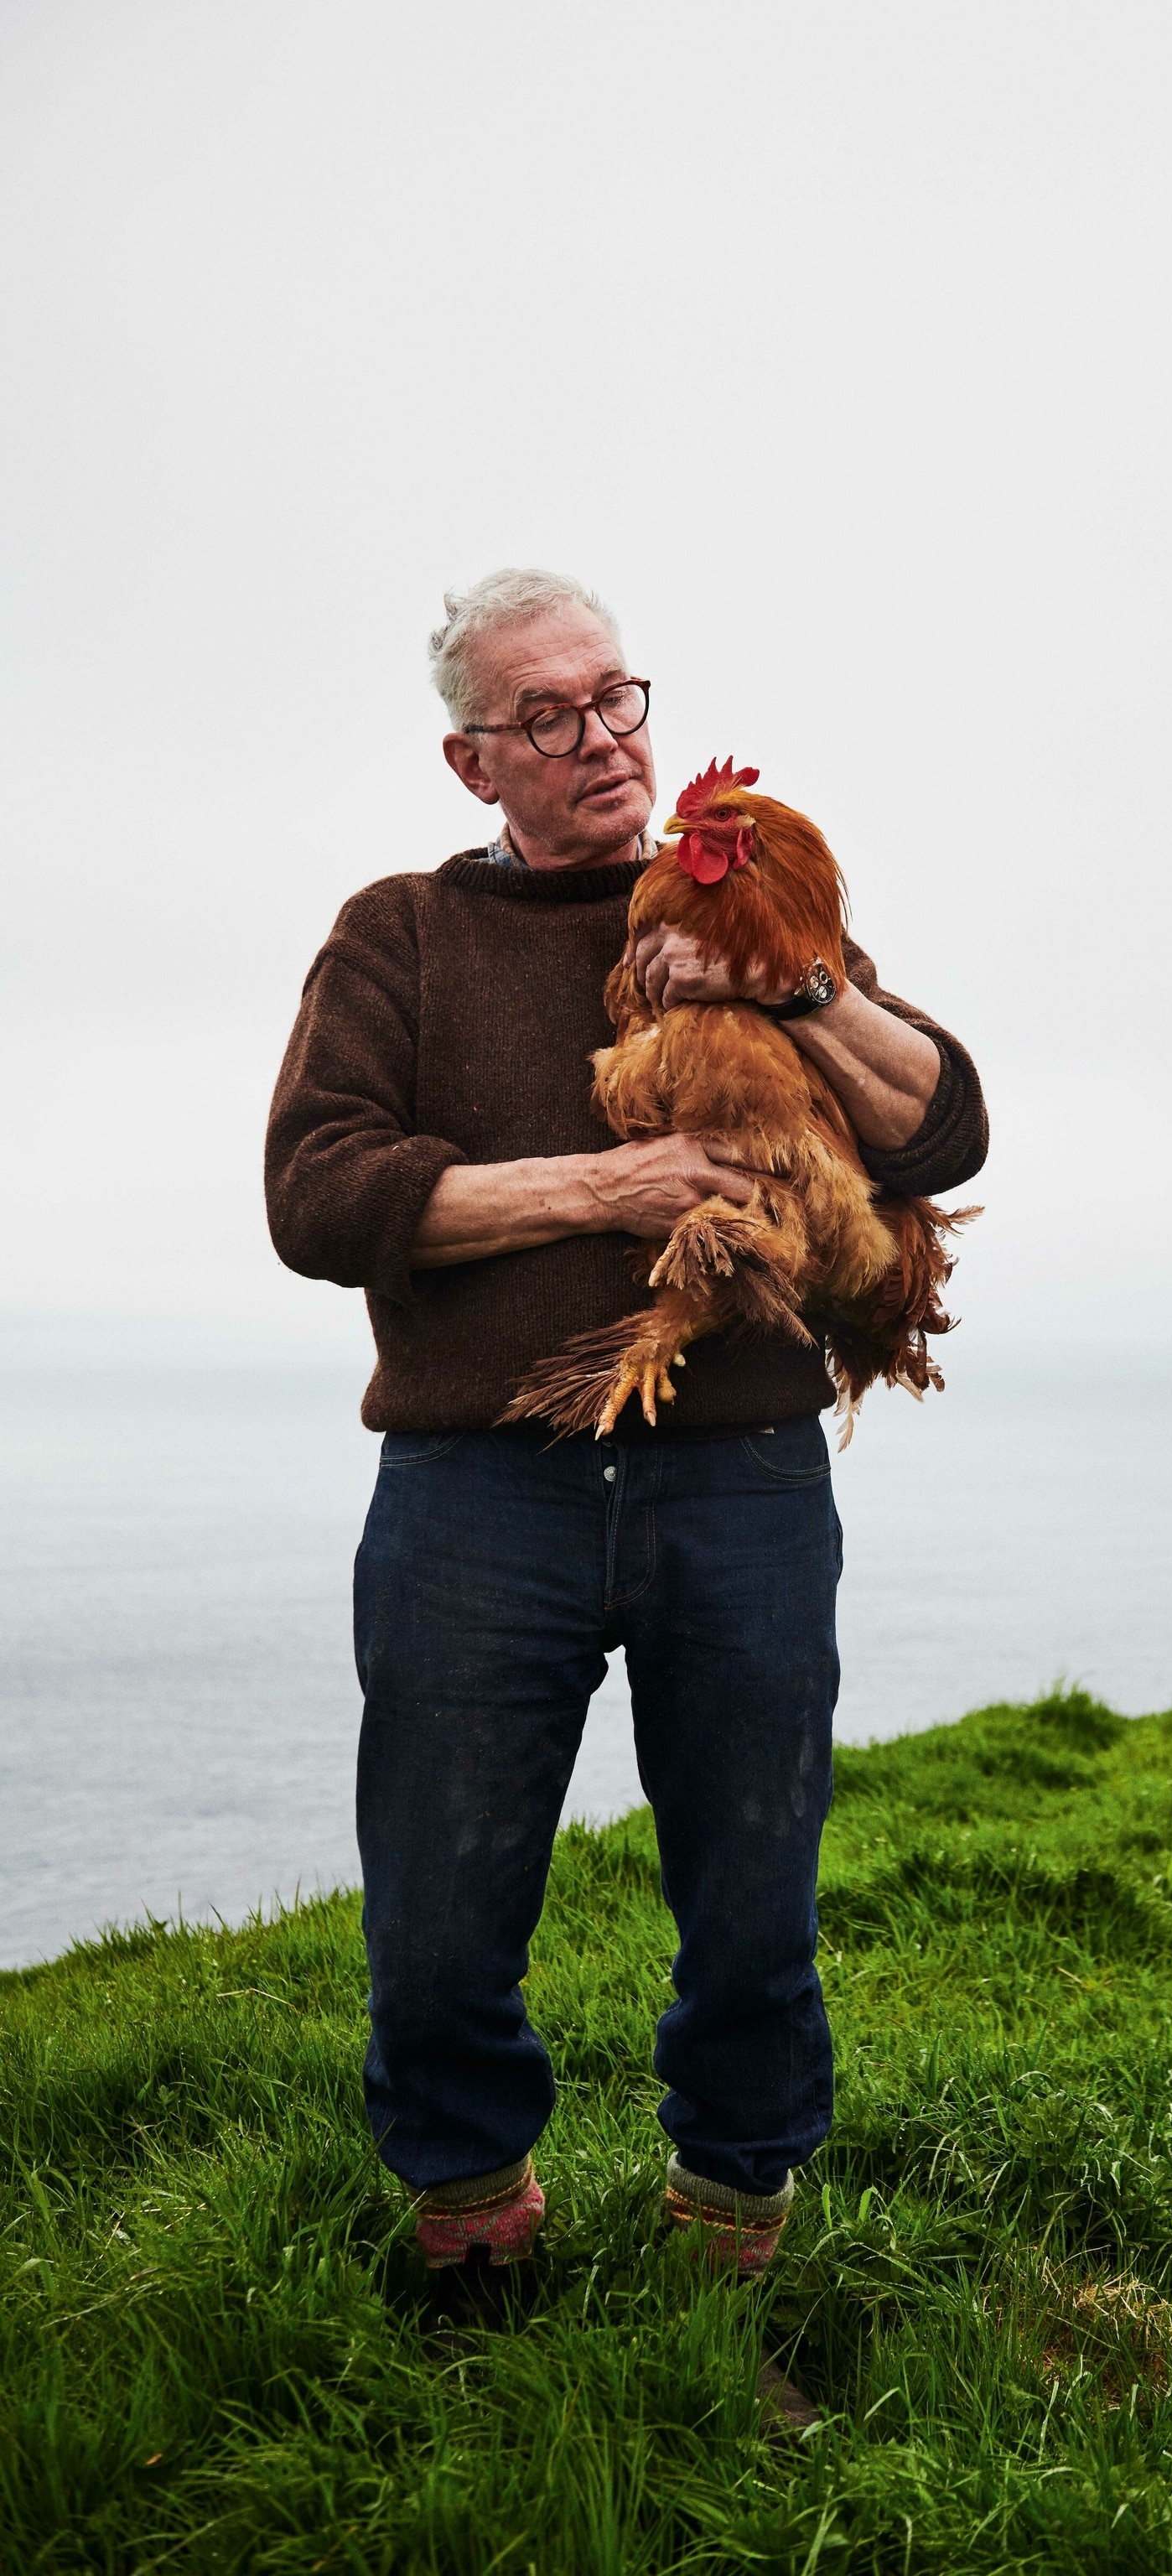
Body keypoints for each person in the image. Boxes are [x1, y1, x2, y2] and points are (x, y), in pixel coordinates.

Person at [265, 569, 988, 2307]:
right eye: (546, 716)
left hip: (738, 1475)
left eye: (615, 698)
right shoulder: (400, 936)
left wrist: (800, 988)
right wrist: (610, 1184)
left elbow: (942, 1127)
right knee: (438, 1919)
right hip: (475, 1487)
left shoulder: (739, 900)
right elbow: (314, 1192)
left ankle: (731, 2230)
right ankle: (472, 2230)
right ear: (471, 763)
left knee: (752, 1901)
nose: (599, 738)